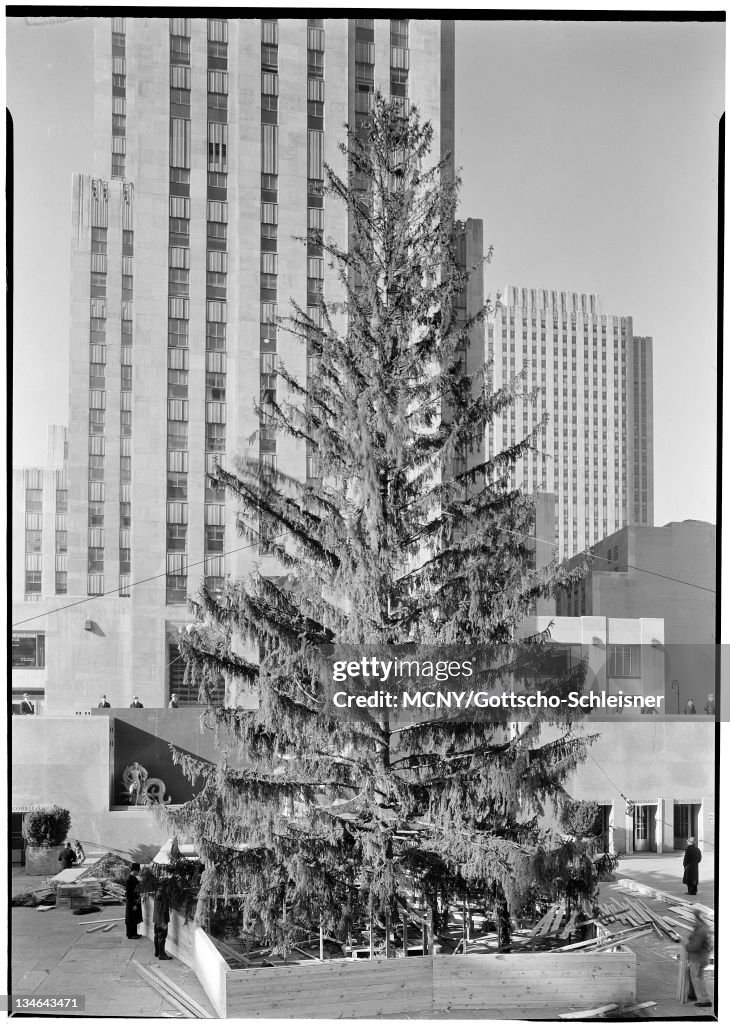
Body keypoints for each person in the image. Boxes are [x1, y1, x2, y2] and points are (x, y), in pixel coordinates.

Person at [684, 908, 712, 1008]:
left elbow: (696, 946)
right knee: (695, 977)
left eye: (694, 918)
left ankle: (704, 1000)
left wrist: (687, 946)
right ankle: (695, 995)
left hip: (698, 959)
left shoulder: (701, 930)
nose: (693, 920)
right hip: (700, 958)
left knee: (698, 979)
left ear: (697, 918)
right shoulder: (702, 928)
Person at [153, 886, 172, 960]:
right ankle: (162, 955)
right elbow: (163, 909)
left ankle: (157, 952)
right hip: (162, 920)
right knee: (162, 936)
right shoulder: (163, 895)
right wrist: (163, 921)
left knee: (157, 935)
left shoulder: (157, 892)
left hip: (156, 919)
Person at [125, 863, 143, 939]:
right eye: (138, 871)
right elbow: (128, 894)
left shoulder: (134, 878)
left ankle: (134, 933)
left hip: (135, 900)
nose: (138, 872)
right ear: (134, 870)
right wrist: (133, 904)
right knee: (130, 918)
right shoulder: (129, 879)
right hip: (131, 902)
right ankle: (130, 935)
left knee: (134, 918)